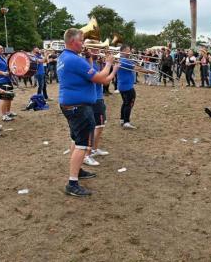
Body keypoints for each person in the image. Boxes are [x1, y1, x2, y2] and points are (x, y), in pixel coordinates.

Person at [58, 28, 116, 197]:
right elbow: (99, 78)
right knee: (83, 144)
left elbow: (86, 75)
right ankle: (72, 183)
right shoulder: (73, 59)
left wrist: (89, 59)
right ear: (72, 41)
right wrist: (109, 63)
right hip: (79, 107)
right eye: (81, 40)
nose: (83, 43)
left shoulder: (65, 57)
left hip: (72, 104)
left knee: (76, 140)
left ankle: (78, 170)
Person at [82, 44, 119, 166]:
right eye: (94, 49)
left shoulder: (96, 62)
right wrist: (114, 70)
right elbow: (105, 81)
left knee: (100, 126)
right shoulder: (90, 64)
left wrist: (105, 62)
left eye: (98, 49)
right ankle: (89, 152)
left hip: (97, 98)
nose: (98, 51)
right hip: (95, 99)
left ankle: (94, 149)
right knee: (96, 127)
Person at [118, 44, 152, 129]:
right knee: (129, 103)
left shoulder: (123, 60)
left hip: (123, 85)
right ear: (123, 51)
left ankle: (122, 120)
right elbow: (137, 68)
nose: (130, 52)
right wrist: (149, 71)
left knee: (125, 103)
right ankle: (126, 122)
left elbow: (136, 66)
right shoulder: (124, 60)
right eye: (128, 50)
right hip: (127, 86)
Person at [0, 45, 16, 121]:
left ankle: (8, 112)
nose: (1, 50)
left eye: (2, 48)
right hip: (1, 80)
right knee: (4, 98)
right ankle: (4, 115)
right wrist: (3, 73)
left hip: (7, 79)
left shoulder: (3, 57)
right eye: (0, 49)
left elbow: (7, 67)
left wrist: (12, 70)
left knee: (9, 97)